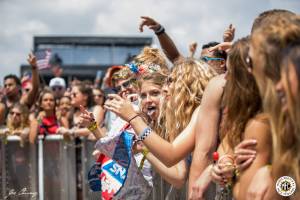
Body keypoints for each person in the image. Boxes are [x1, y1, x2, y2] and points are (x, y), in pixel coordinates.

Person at [0, 53, 39, 125]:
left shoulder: (23, 101)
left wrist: (34, 67)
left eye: (10, 85)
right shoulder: (2, 102)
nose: (7, 87)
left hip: (21, 133)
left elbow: (35, 88)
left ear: (18, 87)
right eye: (5, 85)